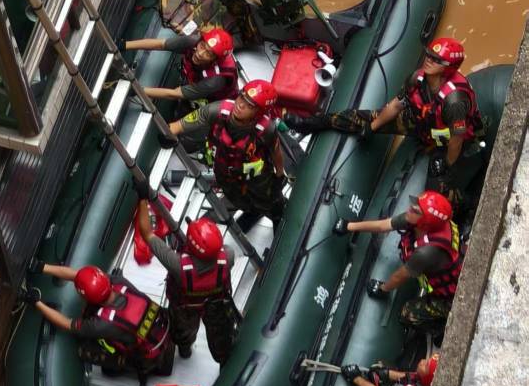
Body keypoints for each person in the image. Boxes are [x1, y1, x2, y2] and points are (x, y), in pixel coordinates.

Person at [284, 38, 484, 208]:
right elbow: (397, 105)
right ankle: (309, 123)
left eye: (436, 59)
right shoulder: (417, 78)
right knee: (355, 117)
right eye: (429, 55)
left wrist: (446, 165)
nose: (428, 60)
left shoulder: (454, 101)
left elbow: (457, 139)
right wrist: (372, 127)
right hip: (420, 123)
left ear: (448, 67)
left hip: (445, 142)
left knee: (437, 191)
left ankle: (470, 203)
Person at [22, 261, 173, 386]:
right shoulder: (118, 283)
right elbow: (76, 276)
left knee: (86, 352)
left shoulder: (102, 324)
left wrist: (36, 302)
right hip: (158, 329)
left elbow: (67, 324)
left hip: (144, 353)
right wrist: (41, 267)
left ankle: (125, 365)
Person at [161, 80, 286, 230]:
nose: (240, 105)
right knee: (235, 197)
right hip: (225, 171)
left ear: (258, 112)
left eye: (250, 105)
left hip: (255, 174)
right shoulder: (218, 110)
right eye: (242, 98)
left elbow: (275, 150)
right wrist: (168, 133)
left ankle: (277, 216)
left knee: (269, 198)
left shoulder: (266, 129)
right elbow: (183, 124)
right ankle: (251, 210)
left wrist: (279, 173)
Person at [333, 190, 463, 332]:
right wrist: (349, 226)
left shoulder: (426, 252)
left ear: (425, 223)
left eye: (415, 210)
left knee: (407, 313)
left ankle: (438, 328)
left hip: (451, 296)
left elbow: (399, 276)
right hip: (445, 269)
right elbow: (383, 225)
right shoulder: (420, 221)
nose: (410, 209)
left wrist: (383, 289)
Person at [136, 191, 239, 364]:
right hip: (217, 304)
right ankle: (223, 358)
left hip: (185, 308)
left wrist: (142, 199)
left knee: (183, 333)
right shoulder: (228, 256)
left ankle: (185, 349)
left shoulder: (178, 266)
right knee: (221, 335)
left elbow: (147, 233)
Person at [123, 27, 238, 103]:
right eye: (202, 46)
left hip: (213, 96)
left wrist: (137, 90)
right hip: (197, 73)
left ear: (215, 60)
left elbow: (175, 93)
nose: (200, 53)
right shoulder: (194, 41)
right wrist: (124, 45)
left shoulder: (215, 81)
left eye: (209, 54)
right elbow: (160, 44)